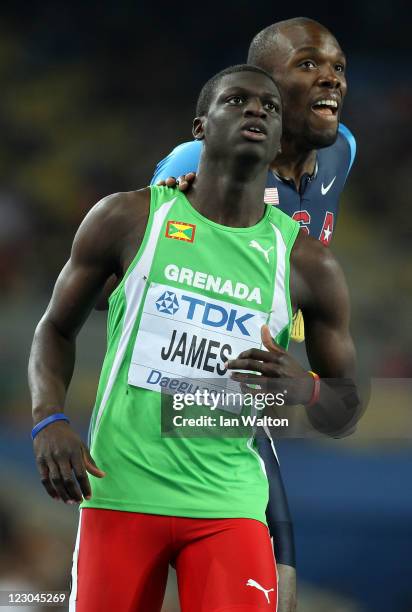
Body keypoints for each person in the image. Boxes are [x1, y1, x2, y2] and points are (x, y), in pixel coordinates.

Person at [29, 64, 358, 611]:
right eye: (237, 101)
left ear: (280, 141)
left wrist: (308, 389)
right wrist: (49, 417)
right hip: (119, 494)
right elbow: (55, 328)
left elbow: (345, 412)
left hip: (230, 507)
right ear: (200, 128)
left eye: (271, 109)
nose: (257, 111)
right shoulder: (129, 218)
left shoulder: (307, 263)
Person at [150, 17, 356, 609]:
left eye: (338, 67)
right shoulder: (197, 156)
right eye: (309, 65)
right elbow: (142, 260)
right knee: (271, 563)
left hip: (262, 370)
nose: (331, 80)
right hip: (189, 377)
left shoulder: (341, 150)